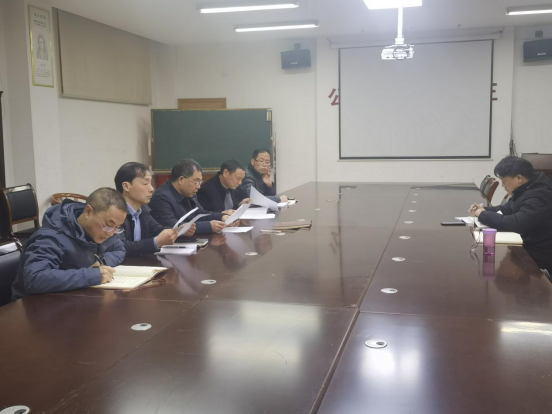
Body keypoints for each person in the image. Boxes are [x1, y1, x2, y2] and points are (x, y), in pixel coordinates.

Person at [12, 188, 127, 300]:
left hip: (74, 298)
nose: (111, 233)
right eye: (109, 225)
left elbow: (119, 249)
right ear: (88, 212)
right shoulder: (52, 236)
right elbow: (35, 279)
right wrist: (92, 275)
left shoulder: (101, 231)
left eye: (117, 228)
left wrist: (101, 262)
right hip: (35, 305)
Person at [470, 156, 552, 273]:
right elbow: (506, 209)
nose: (503, 186)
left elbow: (516, 223)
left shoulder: (539, 196)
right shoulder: (526, 188)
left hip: (538, 257)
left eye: (504, 181)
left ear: (519, 178)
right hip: (525, 246)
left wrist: (482, 214)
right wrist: (485, 210)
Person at [114, 162, 196, 257]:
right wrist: (156, 242)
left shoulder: (143, 209)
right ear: (126, 186)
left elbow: (157, 230)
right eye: (145, 183)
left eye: (150, 183)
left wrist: (178, 230)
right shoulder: (115, 213)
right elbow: (121, 247)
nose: (151, 189)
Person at [149, 159, 230, 234]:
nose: (198, 186)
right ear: (181, 180)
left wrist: (221, 217)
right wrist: (208, 226)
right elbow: (172, 226)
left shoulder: (189, 192)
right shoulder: (161, 198)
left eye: (200, 182)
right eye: (196, 181)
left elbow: (199, 213)